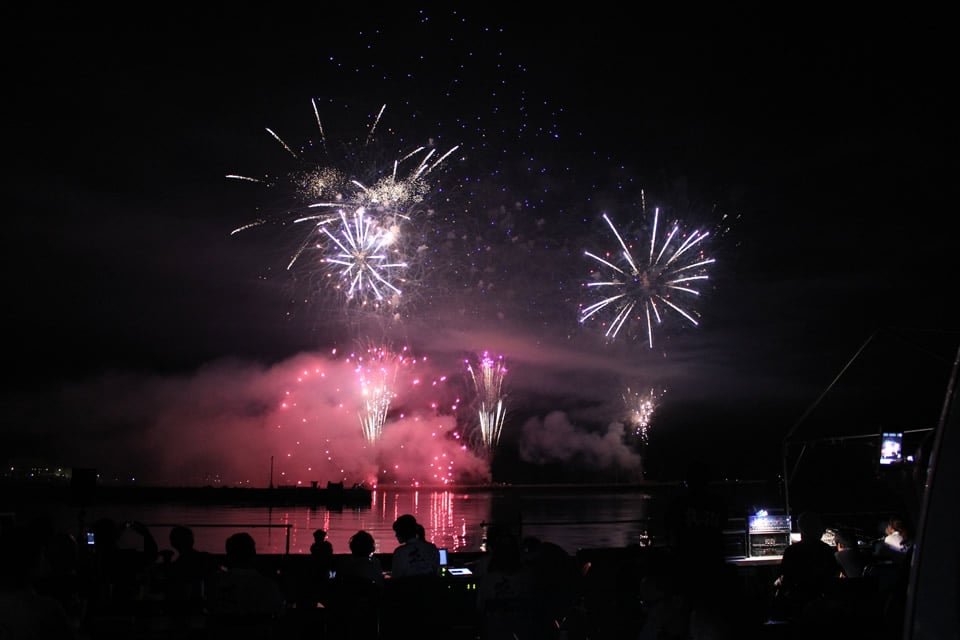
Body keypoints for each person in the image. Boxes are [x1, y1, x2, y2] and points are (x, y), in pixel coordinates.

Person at [773, 512, 839, 620]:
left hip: (798, 599)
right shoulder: (826, 549)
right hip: (822, 598)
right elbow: (832, 574)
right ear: (818, 530)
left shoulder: (791, 551)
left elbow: (786, 578)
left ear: (801, 530)